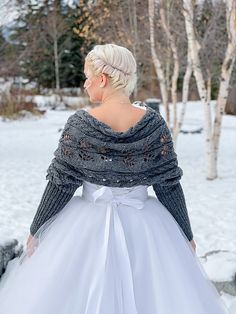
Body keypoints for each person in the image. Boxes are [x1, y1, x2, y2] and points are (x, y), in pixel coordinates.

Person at [0, 43, 228, 314]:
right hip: (148, 230)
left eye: (87, 77)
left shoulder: (79, 125)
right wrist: (185, 234)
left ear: (103, 79)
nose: (85, 84)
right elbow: (168, 185)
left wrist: (37, 230)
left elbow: (61, 184)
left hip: (83, 230)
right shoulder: (154, 125)